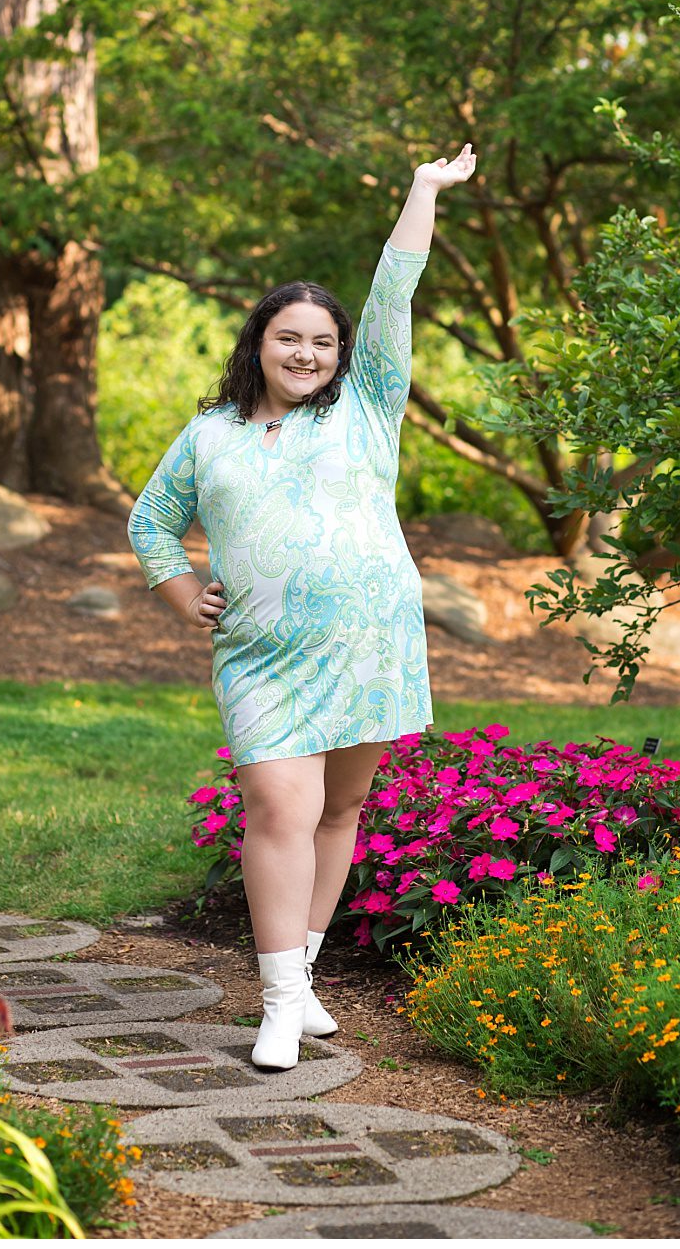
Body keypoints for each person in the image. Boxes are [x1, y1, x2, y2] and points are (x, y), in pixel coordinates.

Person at [127, 144, 477, 1070]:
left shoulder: (367, 406)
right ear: (259, 344)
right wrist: (178, 594)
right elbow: (151, 522)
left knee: (339, 809)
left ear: (340, 354)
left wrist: (423, 190)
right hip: (260, 653)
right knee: (280, 808)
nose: (308, 353)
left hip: (371, 640)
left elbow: (396, 289)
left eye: (323, 342)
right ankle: (281, 1002)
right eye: (290, 338)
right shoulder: (209, 435)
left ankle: (304, 977)